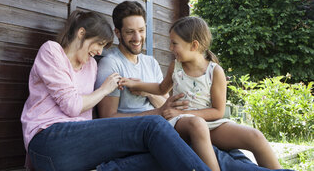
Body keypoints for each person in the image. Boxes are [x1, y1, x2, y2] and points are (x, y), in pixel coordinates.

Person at [96, 1, 291, 171]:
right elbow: (112, 116)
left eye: (141, 30)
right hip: (166, 128)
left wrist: (147, 92)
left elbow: (167, 101)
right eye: (130, 32)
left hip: (196, 122)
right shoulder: (112, 64)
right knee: (216, 149)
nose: (137, 38)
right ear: (118, 33)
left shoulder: (154, 63)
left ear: (194, 45)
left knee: (252, 138)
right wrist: (157, 104)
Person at [20, 10, 212, 171]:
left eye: (103, 46)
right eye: (99, 44)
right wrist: (104, 90)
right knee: (152, 125)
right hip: (48, 141)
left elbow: (85, 118)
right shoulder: (52, 51)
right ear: (81, 34)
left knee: (164, 151)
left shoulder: (90, 67)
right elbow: (71, 106)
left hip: (76, 151)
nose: (99, 51)